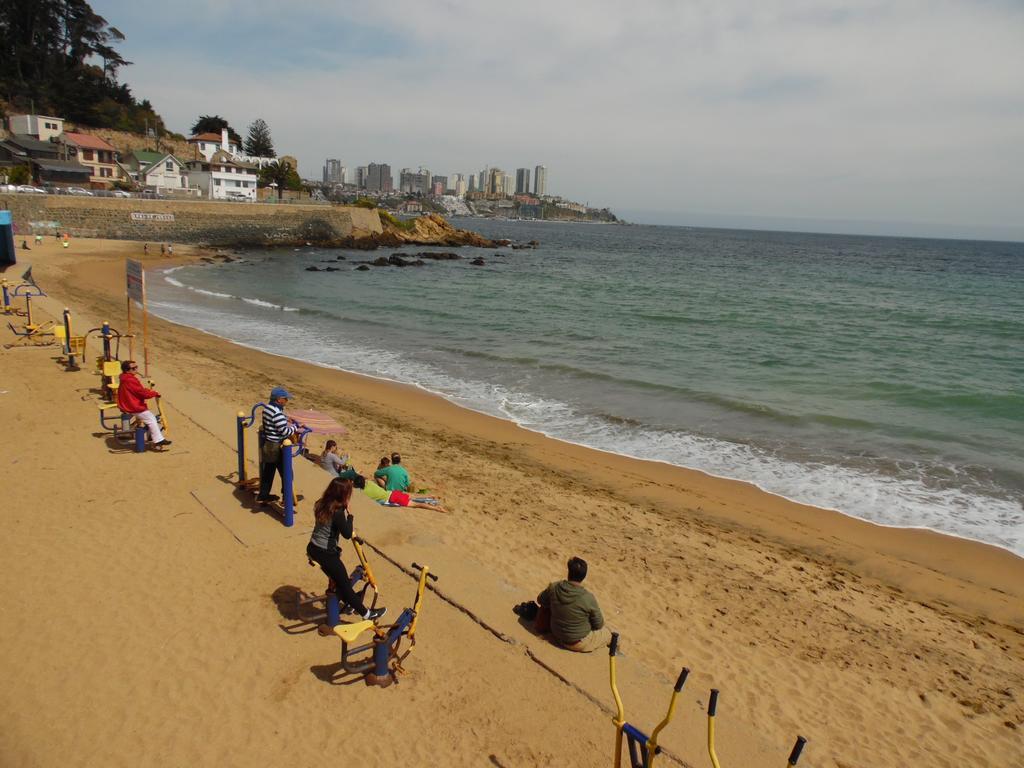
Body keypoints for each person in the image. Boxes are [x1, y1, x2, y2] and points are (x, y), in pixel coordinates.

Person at [306, 478, 386, 622]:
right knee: (344, 585)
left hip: (313, 547)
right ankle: (367, 614)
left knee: (339, 580)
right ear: (343, 495)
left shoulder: (320, 503)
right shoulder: (337, 511)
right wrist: (350, 516)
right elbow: (347, 534)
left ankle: (350, 602)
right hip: (325, 553)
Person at [536, 557, 611, 653]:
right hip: (577, 643)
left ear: (569, 572)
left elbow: (540, 600)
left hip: (556, 634)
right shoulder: (588, 597)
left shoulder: (554, 587)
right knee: (611, 634)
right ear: (584, 576)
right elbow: (599, 625)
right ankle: (618, 657)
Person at [116, 360, 171, 448]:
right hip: (133, 405)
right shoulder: (130, 380)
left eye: (136, 367)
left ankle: (154, 437)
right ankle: (158, 440)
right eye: (133, 368)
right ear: (127, 370)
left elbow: (138, 390)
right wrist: (154, 393)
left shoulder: (125, 378)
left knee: (150, 417)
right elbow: (141, 393)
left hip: (127, 403)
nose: (136, 369)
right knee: (151, 419)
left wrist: (147, 391)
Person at [257, 386, 298, 503]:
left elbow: (275, 421)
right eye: (285, 398)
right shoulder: (277, 413)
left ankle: (263, 495)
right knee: (287, 473)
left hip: (268, 444)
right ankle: (287, 498)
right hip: (277, 447)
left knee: (268, 472)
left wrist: (285, 419)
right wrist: (296, 428)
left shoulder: (268, 408)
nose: (287, 401)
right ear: (279, 399)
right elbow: (285, 431)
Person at [353, 474, 447, 513]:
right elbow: (364, 478)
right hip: (393, 493)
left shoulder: (364, 493)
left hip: (393, 499)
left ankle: (437, 508)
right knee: (413, 496)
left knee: (417, 504)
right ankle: (430, 496)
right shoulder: (369, 483)